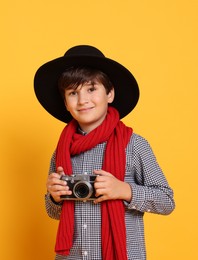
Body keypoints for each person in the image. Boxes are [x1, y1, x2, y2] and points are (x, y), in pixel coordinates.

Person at [33, 45, 175, 260]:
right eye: (73, 93)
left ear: (109, 94)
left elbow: (166, 200)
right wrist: (54, 197)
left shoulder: (134, 145)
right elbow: (54, 214)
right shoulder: (61, 152)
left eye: (91, 89)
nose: (82, 100)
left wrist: (125, 190)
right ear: (66, 103)